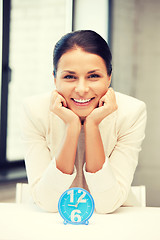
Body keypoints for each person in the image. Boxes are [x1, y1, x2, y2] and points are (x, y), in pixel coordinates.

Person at [22, 30, 147, 213]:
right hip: (51, 223)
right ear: (55, 78)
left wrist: (92, 125)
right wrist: (72, 127)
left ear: (109, 77)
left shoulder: (131, 112)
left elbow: (107, 204)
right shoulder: (35, 111)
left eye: (93, 76)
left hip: (115, 223)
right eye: (70, 77)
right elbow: (49, 203)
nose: (82, 89)